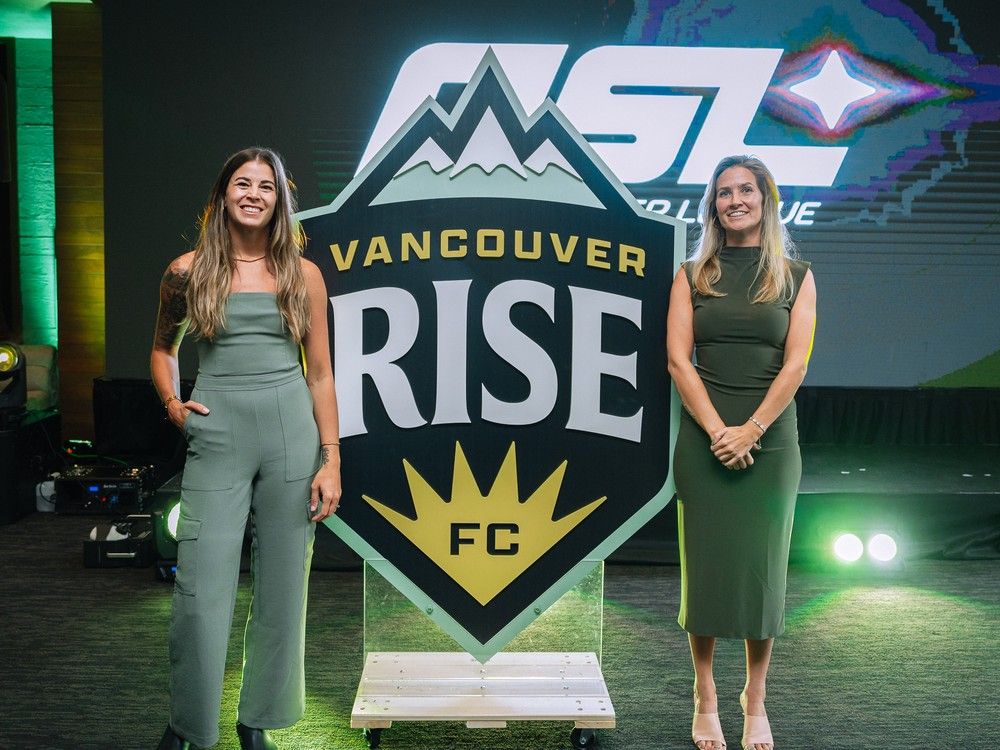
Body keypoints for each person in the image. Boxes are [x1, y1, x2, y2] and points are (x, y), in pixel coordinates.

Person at [150, 147, 342, 750]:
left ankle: (255, 719)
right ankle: (189, 724)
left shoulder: (302, 275)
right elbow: (162, 349)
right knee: (201, 591)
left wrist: (331, 457)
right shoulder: (186, 272)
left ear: (281, 199)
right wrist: (174, 406)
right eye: (243, 182)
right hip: (219, 427)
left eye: (267, 185)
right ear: (223, 195)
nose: (254, 193)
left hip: (291, 429)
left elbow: (321, 375)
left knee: (285, 585)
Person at [666, 155, 816, 750]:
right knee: (704, 573)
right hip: (703, 441)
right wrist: (716, 431)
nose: (735, 201)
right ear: (713, 206)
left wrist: (751, 429)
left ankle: (754, 699)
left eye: (745, 190)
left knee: (762, 574)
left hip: (771, 441)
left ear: (765, 200)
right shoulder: (691, 273)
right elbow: (679, 360)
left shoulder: (796, 276)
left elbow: (797, 362)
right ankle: (705, 697)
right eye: (724, 193)